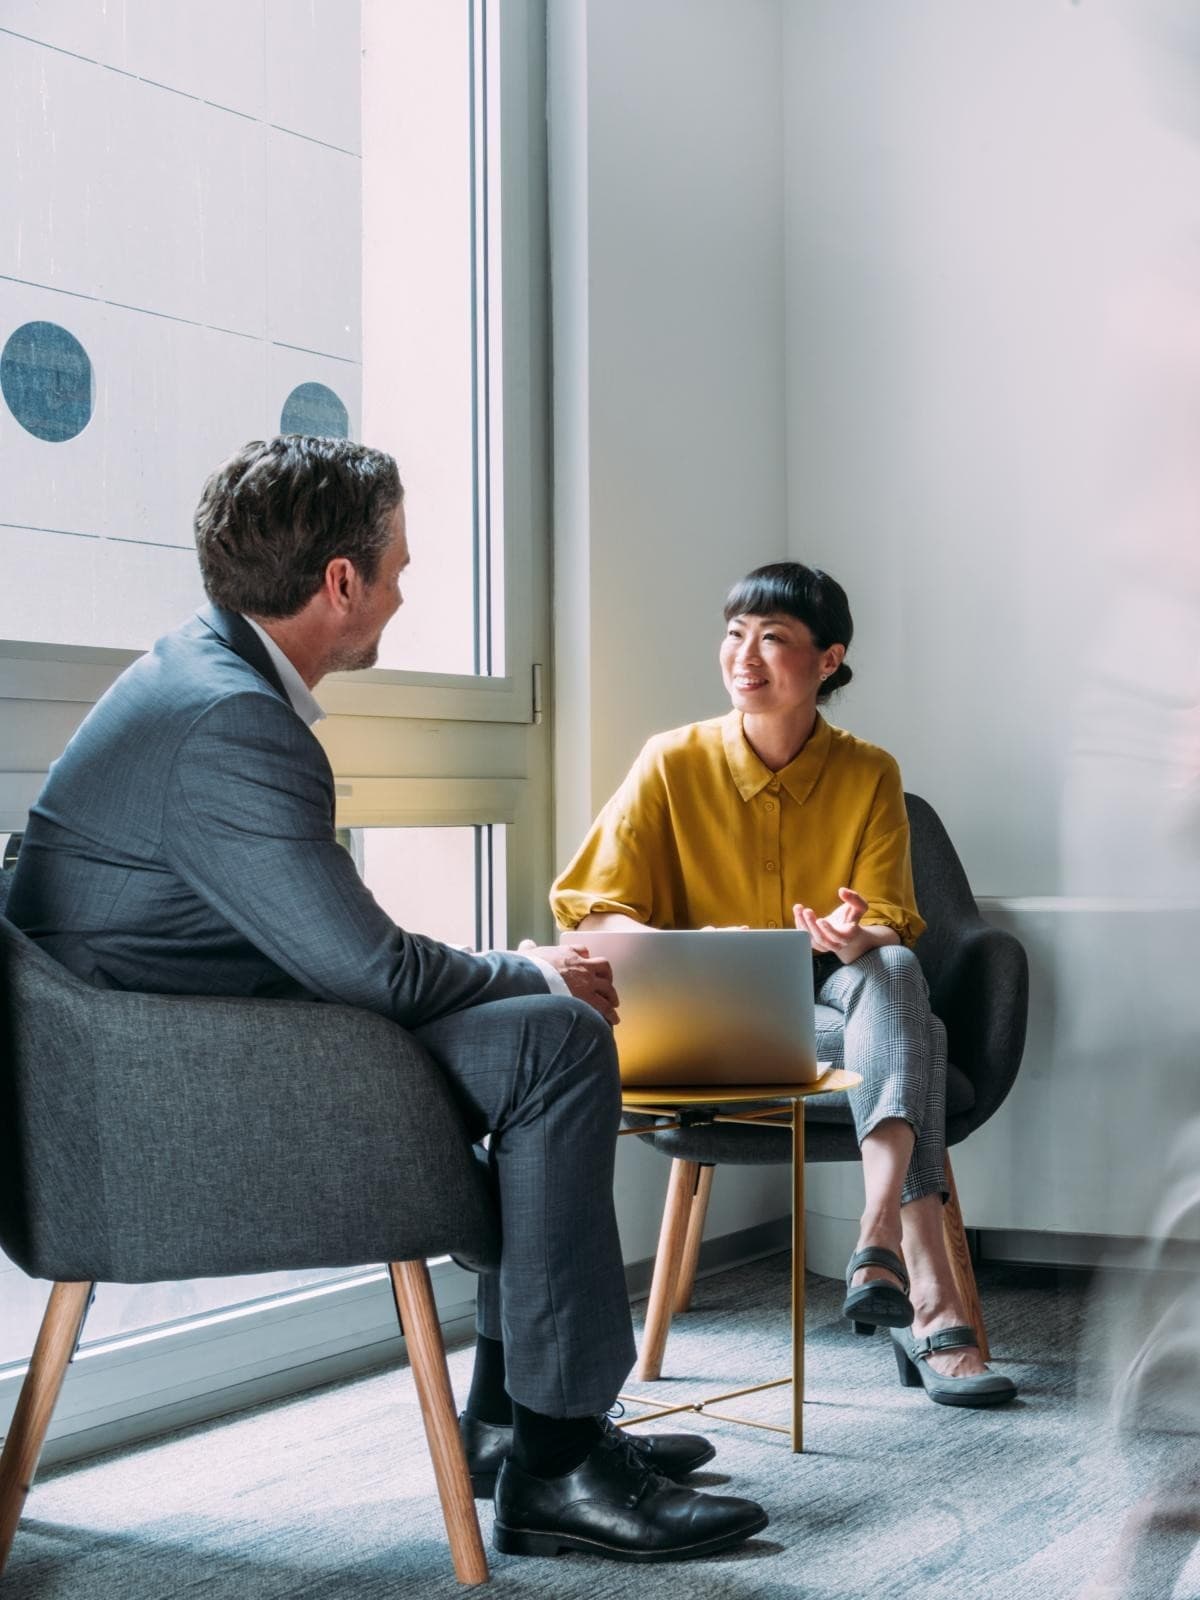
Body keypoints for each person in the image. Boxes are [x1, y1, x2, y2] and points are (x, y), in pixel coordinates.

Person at [7, 435, 768, 1562]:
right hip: (163, 1096)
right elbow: (369, 971)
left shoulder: (197, 674)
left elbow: (336, 950)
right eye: (400, 566)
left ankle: (520, 1424)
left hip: (169, 1051)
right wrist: (533, 965)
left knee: (543, 1035)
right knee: (555, 1036)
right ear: (341, 582)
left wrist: (519, 976)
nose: (407, 588)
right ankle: (558, 1459)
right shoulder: (233, 722)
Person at [551, 561, 1017, 1407]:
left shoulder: (869, 770)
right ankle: (925, 1284)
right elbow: (589, 916)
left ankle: (877, 1231)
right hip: (717, 1015)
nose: (746, 655)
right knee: (921, 1042)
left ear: (828, 660)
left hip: (837, 995)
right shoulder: (670, 763)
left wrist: (852, 932)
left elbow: (891, 922)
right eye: (735, 633)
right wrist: (697, 946)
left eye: (774, 637)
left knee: (899, 969)